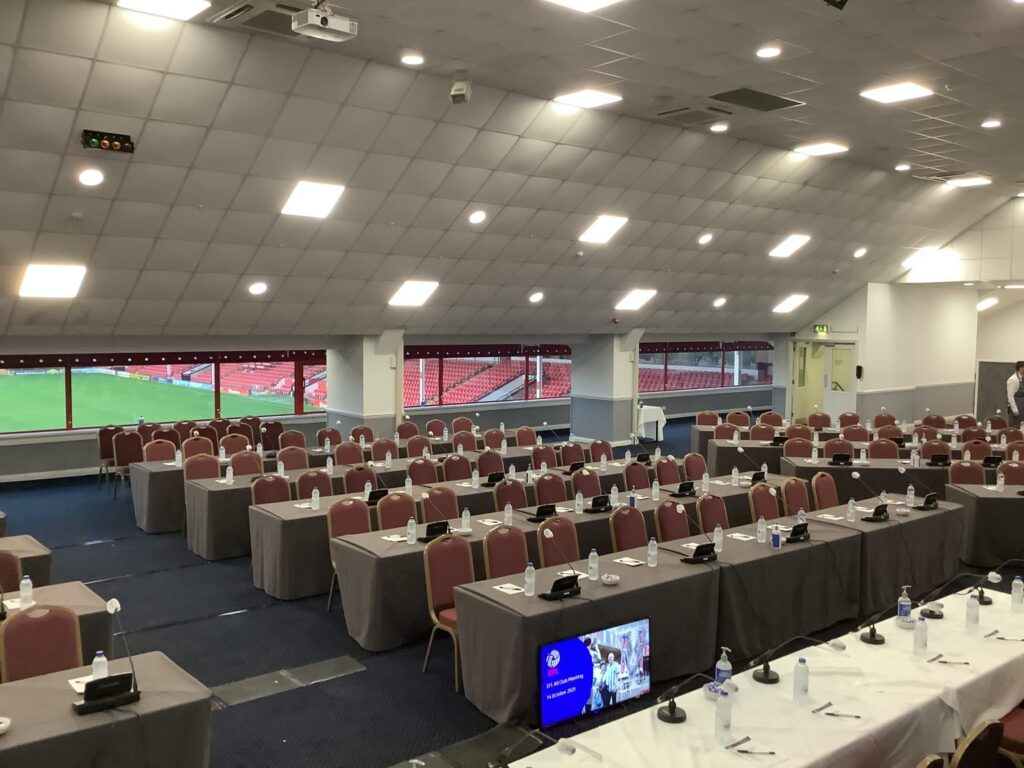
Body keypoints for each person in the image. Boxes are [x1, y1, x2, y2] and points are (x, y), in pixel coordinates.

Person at [1008, 362, 1024, 428]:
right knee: (1016, 426)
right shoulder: (1013, 379)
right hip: (1017, 405)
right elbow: (1010, 395)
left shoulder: (1022, 378)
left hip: (1022, 405)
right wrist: (1014, 409)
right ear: (1021, 368)